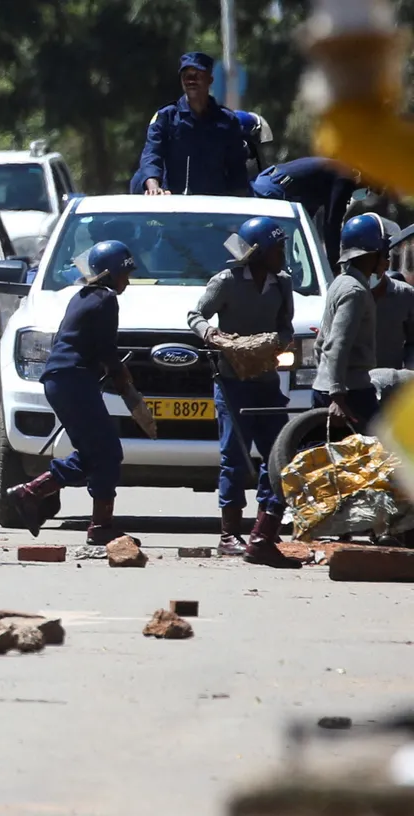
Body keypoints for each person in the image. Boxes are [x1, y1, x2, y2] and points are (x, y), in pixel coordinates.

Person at [4, 240, 142, 546]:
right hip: (73, 380)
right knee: (108, 453)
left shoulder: (82, 295)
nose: (127, 280)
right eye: (125, 273)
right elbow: (106, 349)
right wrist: (125, 383)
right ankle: (95, 523)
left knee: (97, 454)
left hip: (62, 380)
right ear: (110, 273)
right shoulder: (106, 299)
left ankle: (34, 494)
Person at [185, 217, 300, 569]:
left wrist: (275, 342)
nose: (283, 255)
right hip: (232, 382)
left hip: (266, 381)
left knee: (277, 457)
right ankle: (228, 534)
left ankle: (266, 527)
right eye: (277, 249)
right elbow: (195, 315)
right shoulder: (226, 282)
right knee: (234, 459)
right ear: (257, 252)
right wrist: (216, 338)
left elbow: (286, 325)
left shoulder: (282, 284)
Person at [136, 52, 249, 197]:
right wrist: (153, 187)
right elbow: (151, 155)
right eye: (186, 76)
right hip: (173, 205)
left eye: (197, 76)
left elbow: (237, 169)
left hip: (215, 207)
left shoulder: (227, 121)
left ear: (210, 80)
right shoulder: (166, 117)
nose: (191, 81)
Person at [313, 213, 387, 431]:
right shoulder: (354, 291)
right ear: (372, 254)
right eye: (384, 253)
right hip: (349, 392)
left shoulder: (340, 283)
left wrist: (326, 380)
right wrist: (336, 394)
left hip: (330, 387)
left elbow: (320, 343)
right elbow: (338, 343)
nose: (386, 260)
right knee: (376, 452)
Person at [251, 157, 358, 273]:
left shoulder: (326, 179)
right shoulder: (345, 177)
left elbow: (308, 219)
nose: (367, 193)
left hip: (267, 182)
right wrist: (335, 268)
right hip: (273, 192)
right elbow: (332, 225)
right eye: (370, 189)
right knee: (271, 248)